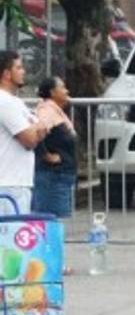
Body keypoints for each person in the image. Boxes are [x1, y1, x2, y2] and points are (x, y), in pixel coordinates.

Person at [0, 51, 46, 215]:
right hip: (8, 185)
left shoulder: (17, 102)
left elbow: (42, 127)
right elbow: (30, 139)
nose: (23, 71)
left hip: (19, 182)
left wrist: (37, 128)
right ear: (6, 74)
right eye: (18, 68)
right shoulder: (4, 102)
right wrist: (37, 128)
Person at [32, 77, 76, 218]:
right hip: (52, 178)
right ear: (52, 92)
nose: (66, 91)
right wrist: (46, 155)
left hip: (60, 177)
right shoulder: (47, 110)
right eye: (62, 87)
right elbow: (36, 131)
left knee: (55, 222)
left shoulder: (56, 110)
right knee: (50, 223)